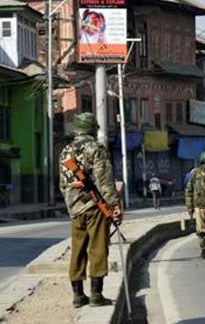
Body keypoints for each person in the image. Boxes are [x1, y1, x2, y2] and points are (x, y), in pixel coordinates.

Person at [58, 112, 122, 308]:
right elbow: (104, 181)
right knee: (98, 248)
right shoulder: (96, 149)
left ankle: (78, 296)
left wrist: (71, 203)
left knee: (77, 250)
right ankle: (96, 294)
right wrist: (114, 205)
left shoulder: (65, 151)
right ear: (93, 128)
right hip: (95, 206)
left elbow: (63, 184)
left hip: (75, 208)